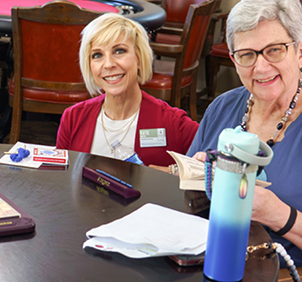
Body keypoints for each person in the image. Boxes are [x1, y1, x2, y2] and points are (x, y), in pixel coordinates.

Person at [185, 0, 302, 267]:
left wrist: (277, 214)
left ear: (300, 51)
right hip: (204, 260)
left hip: (283, 277)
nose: (260, 67)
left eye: (274, 50)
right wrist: (198, 178)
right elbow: (186, 197)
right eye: (247, 54)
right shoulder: (221, 107)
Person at [57, 13, 198, 167]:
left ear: (138, 57)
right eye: (97, 55)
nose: (108, 64)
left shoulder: (172, 122)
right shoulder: (73, 118)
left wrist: (174, 172)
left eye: (119, 51)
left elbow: (213, 165)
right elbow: (61, 180)